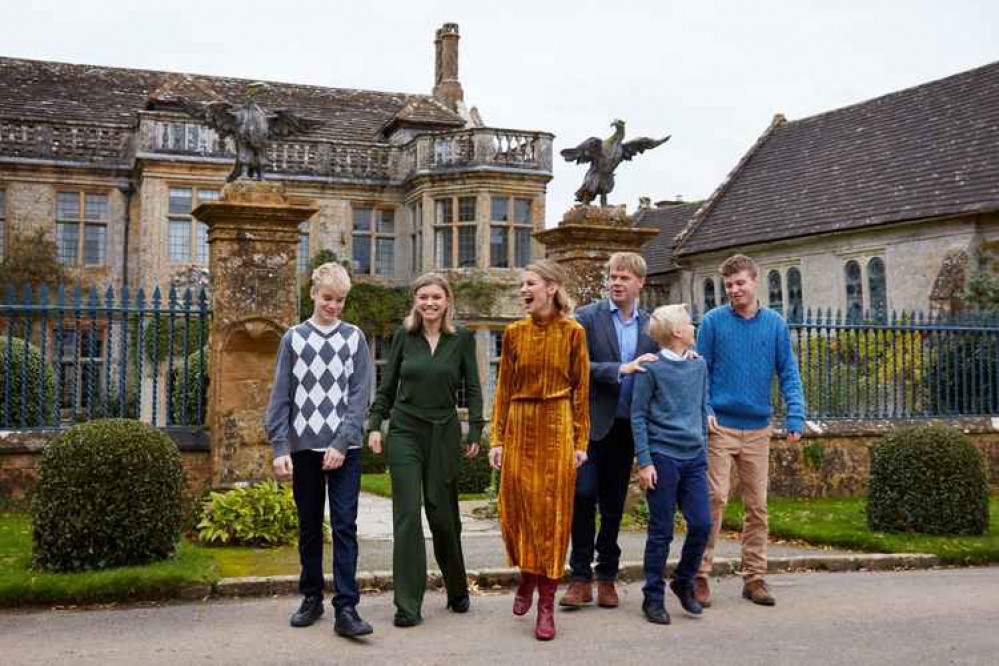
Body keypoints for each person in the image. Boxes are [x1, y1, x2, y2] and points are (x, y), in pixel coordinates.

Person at [367, 272, 484, 628]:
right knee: (406, 514)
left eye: (436, 297)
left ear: (447, 300)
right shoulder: (405, 335)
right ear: (415, 302)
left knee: (443, 515)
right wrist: (375, 425)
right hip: (405, 428)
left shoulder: (462, 338)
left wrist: (476, 429)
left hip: (444, 431)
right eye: (423, 297)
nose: (429, 303)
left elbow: (474, 388)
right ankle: (408, 605)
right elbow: (386, 385)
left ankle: (457, 586)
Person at [265, 262, 373, 638]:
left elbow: (360, 396)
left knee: (345, 526)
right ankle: (311, 597)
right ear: (313, 293)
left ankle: (346, 607)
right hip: (304, 448)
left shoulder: (355, 337)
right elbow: (281, 395)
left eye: (340, 300)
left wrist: (341, 443)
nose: (333, 306)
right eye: (328, 298)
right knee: (310, 527)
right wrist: (280, 447)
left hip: (346, 450)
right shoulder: (293, 338)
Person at [488, 259, 590, 641]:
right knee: (516, 508)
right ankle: (527, 575)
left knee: (554, 513)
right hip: (519, 423)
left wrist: (580, 442)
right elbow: (502, 390)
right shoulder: (513, 333)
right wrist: (496, 439)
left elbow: (582, 390)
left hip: (557, 423)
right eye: (521, 285)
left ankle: (546, 603)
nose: (523, 291)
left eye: (529, 283)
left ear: (551, 287)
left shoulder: (574, 332)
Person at [695, 254, 805, 607]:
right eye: (728, 285)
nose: (734, 290)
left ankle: (754, 577)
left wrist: (795, 416)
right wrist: (706, 408)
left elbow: (788, 371)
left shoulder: (774, 324)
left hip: (758, 427)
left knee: (757, 506)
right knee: (715, 499)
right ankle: (700, 573)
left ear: (755, 282)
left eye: (740, 283)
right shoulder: (712, 322)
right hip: (720, 426)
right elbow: (700, 372)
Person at [562, 252, 660, 609]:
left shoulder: (651, 325)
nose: (617, 283)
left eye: (624, 278)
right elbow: (576, 366)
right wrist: (621, 368)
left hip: (626, 428)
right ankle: (579, 577)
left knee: (614, 505)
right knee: (583, 496)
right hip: (590, 425)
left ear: (640, 283)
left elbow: (668, 362)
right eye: (613, 277)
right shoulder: (587, 317)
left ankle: (606, 576)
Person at [631, 304, 712, 625]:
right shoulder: (651, 369)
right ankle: (653, 597)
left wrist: (703, 448)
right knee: (661, 531)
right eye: (690, 324)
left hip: (694, 458)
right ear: (678, 333)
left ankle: (683, 580)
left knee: (702, 524)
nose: (694, 327)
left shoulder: (698, 365)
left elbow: (701, 406)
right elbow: (638, 415)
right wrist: (645, 462)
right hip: (663, 457)